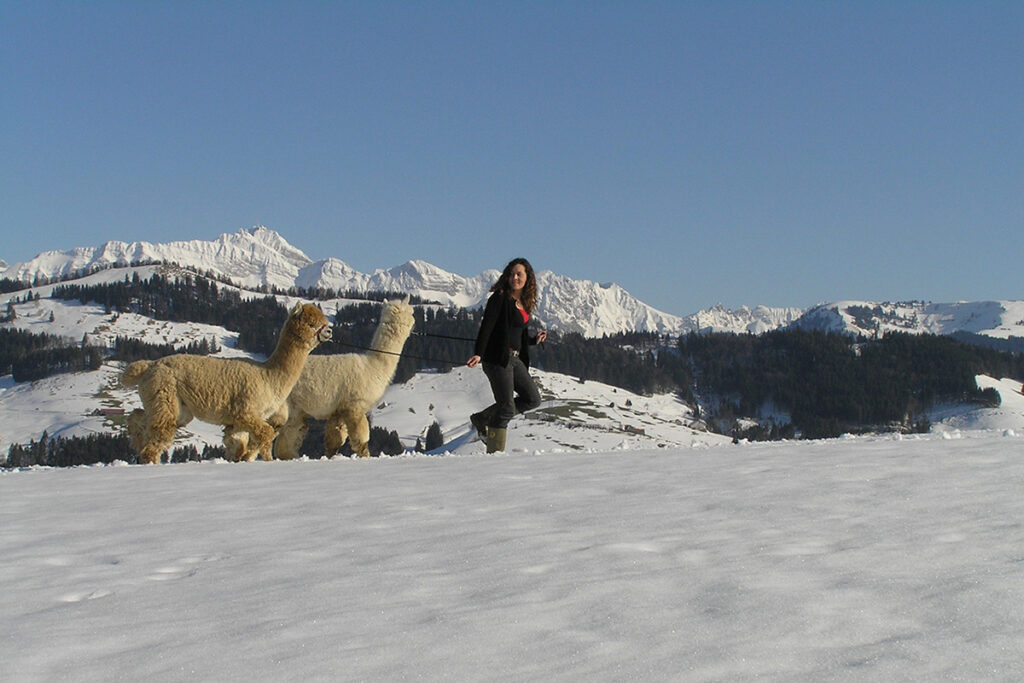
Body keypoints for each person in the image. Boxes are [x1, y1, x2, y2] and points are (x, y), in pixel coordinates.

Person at [467, 257, 548, 453]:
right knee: (506, 408)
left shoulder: (524, 302)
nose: (515, 277)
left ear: (528, 277)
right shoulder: (500, 298)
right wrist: (479, 353)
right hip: (497, 358)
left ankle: (482, 418)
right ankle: (495, 453)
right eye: (512, 274)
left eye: (519, 274)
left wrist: (532, 340)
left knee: (532, 399)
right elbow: (487, 326)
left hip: (515, 358)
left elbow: (516, 334)